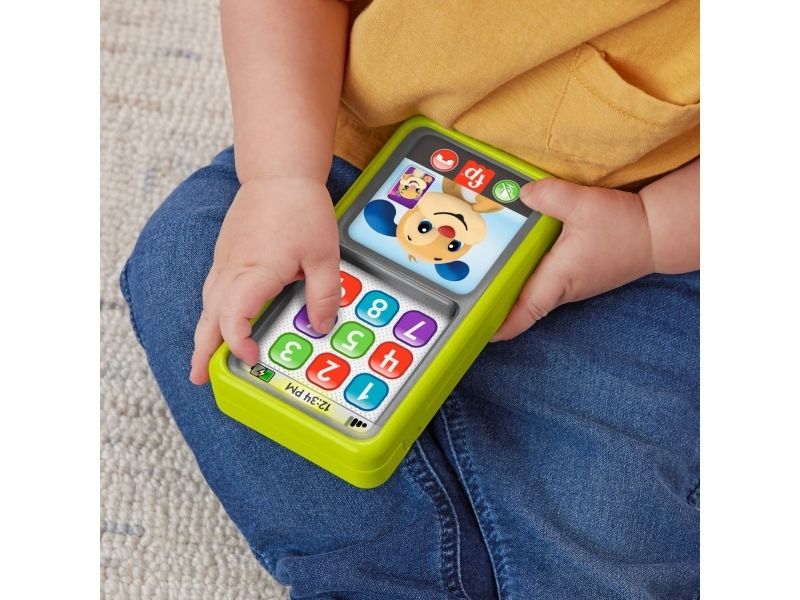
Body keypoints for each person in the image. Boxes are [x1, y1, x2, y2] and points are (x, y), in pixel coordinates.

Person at [121, 1, 699, 598]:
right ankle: (380, 575)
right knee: (183, 260)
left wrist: (649, 229)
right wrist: (279, 179)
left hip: (633, 246)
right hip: (351, 162)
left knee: (609, 498)